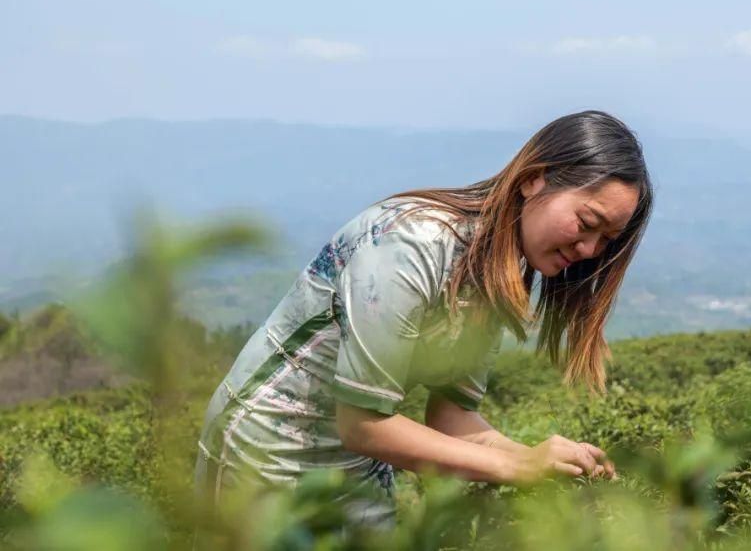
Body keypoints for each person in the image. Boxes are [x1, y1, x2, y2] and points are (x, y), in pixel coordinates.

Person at [192, 109, 653, 539]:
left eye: (605, 240)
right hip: (266, 454)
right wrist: (518, 467)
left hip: (357, 466)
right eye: (586, 222)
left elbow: (451, 416)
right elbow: (364, 424)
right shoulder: (411, 243)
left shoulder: (495, 274)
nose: (590, 250)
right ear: (535, 178)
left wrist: (534, 457)